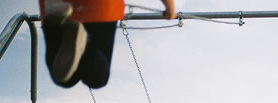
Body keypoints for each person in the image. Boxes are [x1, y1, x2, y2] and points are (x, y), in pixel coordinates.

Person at [38, 0, 176, 88]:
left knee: (65, 78)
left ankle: (59, 19)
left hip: (59, 4)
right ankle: (84, 44)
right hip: (100, 7)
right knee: (97, 78)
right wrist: (169, 6)